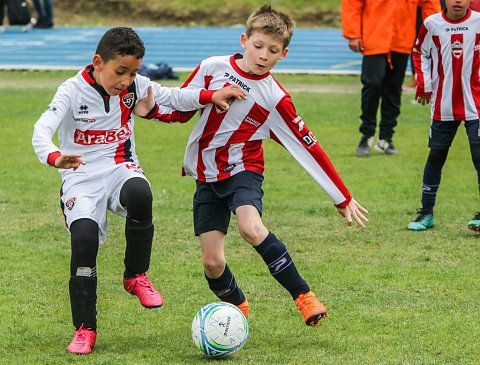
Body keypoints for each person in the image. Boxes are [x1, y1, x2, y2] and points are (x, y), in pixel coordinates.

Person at [141, 5, 368, 326]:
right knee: (212, 264)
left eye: (273, 51)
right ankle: (237, 310)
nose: (263, 55)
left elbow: (309, 147)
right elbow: (182, 109)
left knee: (250, 227)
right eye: (258, 46)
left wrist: (341, 196)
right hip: (206, 175)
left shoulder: (275, 99)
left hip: (243, 169)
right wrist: (150, 110)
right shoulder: (211, 67)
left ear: (283, 54)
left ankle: (304, 296)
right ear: (244, 39)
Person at [32, 27, 246, 355]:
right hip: (80, 178)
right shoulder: (71, 91)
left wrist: (209, 96)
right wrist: (56, 157)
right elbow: (41, 132)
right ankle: (85, 328)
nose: (127, 81)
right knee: (85, 239)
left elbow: (173, 96)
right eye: (121, 72)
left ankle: (135, 275)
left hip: (121, 168)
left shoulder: (135, 86)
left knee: (140, 194)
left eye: (133, 73)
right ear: (98, 62)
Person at [408, 0, 480, 231]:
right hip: (443, 105)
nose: (457, 1)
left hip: (476, 104)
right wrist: (424, 84)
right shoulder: (432, 23)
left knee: (479, 155)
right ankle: (426, 213)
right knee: (437, 155)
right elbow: (419, 52)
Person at [342, 0, 441, 157]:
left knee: (394, 89)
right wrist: (353, 34)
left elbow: (430, 3)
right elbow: (352, 3)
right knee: (372, 85)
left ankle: (386, 138)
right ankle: (366, 135)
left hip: (402, 38)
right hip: (375, 37)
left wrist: (436, 30)